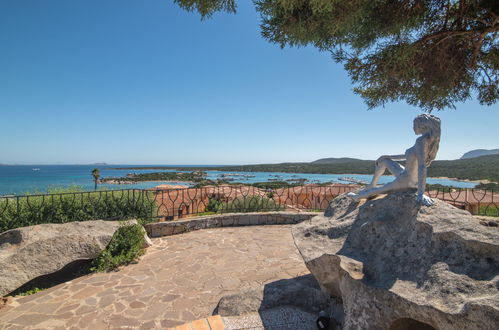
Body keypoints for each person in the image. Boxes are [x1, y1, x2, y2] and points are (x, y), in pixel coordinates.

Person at [347, 114, 441, 206]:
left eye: (414, 125)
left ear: (422, 125)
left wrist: (421, 194)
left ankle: (357, 197)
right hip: (409, 177)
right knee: (384, 161)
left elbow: (422, 166)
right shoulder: (427, 140)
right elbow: (407, 156)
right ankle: (372, 184)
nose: (413, 128)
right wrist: (387, 156)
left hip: (406, 180)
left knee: (380, 189)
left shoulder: (421, 141)